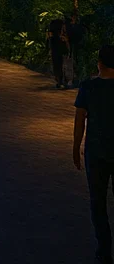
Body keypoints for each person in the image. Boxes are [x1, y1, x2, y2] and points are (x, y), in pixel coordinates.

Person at [74, 45, 114, 264]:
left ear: (99, 62)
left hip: (96, 152)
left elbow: (80, 119)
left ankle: (104, 249)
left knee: (97, 202)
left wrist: (75, 146)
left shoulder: (88, 86)